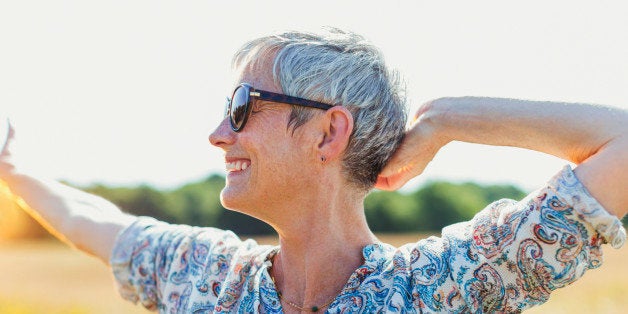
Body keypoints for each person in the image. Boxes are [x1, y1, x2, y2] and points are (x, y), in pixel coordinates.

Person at [0, 27, 626, 313]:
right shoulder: (205, 275)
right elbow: (87, 218)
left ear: (328, 132)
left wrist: (448, 117)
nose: (218, 135)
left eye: (243, 108)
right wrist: (10, 168)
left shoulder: (449, 287)